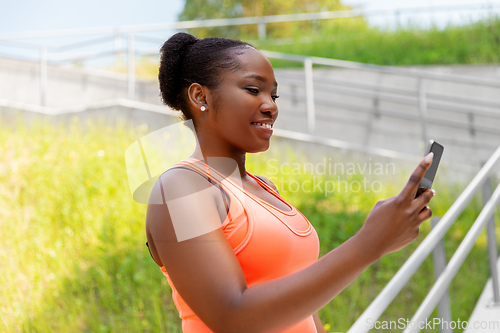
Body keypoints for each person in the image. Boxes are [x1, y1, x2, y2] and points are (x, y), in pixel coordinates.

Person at [145, 32, 435, 333]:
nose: (271, 106)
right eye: (253, 89)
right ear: (199, 96)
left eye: (274, 95)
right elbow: (231, 317)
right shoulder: (179, 190)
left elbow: (303, 313)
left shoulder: (265, 188)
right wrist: (369, 244)